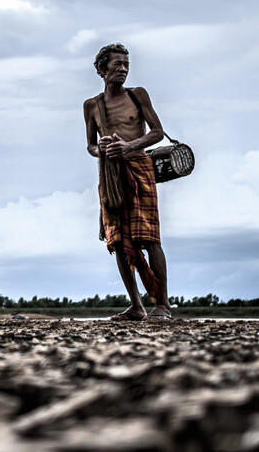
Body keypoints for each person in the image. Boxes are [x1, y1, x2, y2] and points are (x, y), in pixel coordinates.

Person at [83, 43, 171, 320]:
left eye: (126, 65)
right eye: (116, 64)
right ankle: (136, 306)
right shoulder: (91, 106)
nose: (123, 69)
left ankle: (163, 305)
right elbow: (90, 146)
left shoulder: (138, 95)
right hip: (110, 176)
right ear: (101, 69)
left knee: (148, 237)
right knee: (118, 240)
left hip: (140, 168)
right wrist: (105, 149)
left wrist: (129, 146)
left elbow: (157, 132)